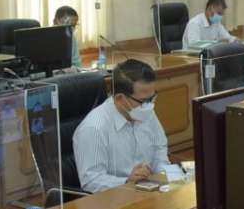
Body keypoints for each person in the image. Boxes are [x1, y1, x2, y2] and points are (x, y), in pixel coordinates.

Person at [72, 59, 171, 192]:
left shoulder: (145, 111)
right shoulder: (93, 128)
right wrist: (127, 181)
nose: (149, 105)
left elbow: (159, 148)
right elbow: (91, 181)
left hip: (147, 191)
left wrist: (165, 174)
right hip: (113, 199)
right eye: (144, 100)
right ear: (120, 98)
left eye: (152, 98)